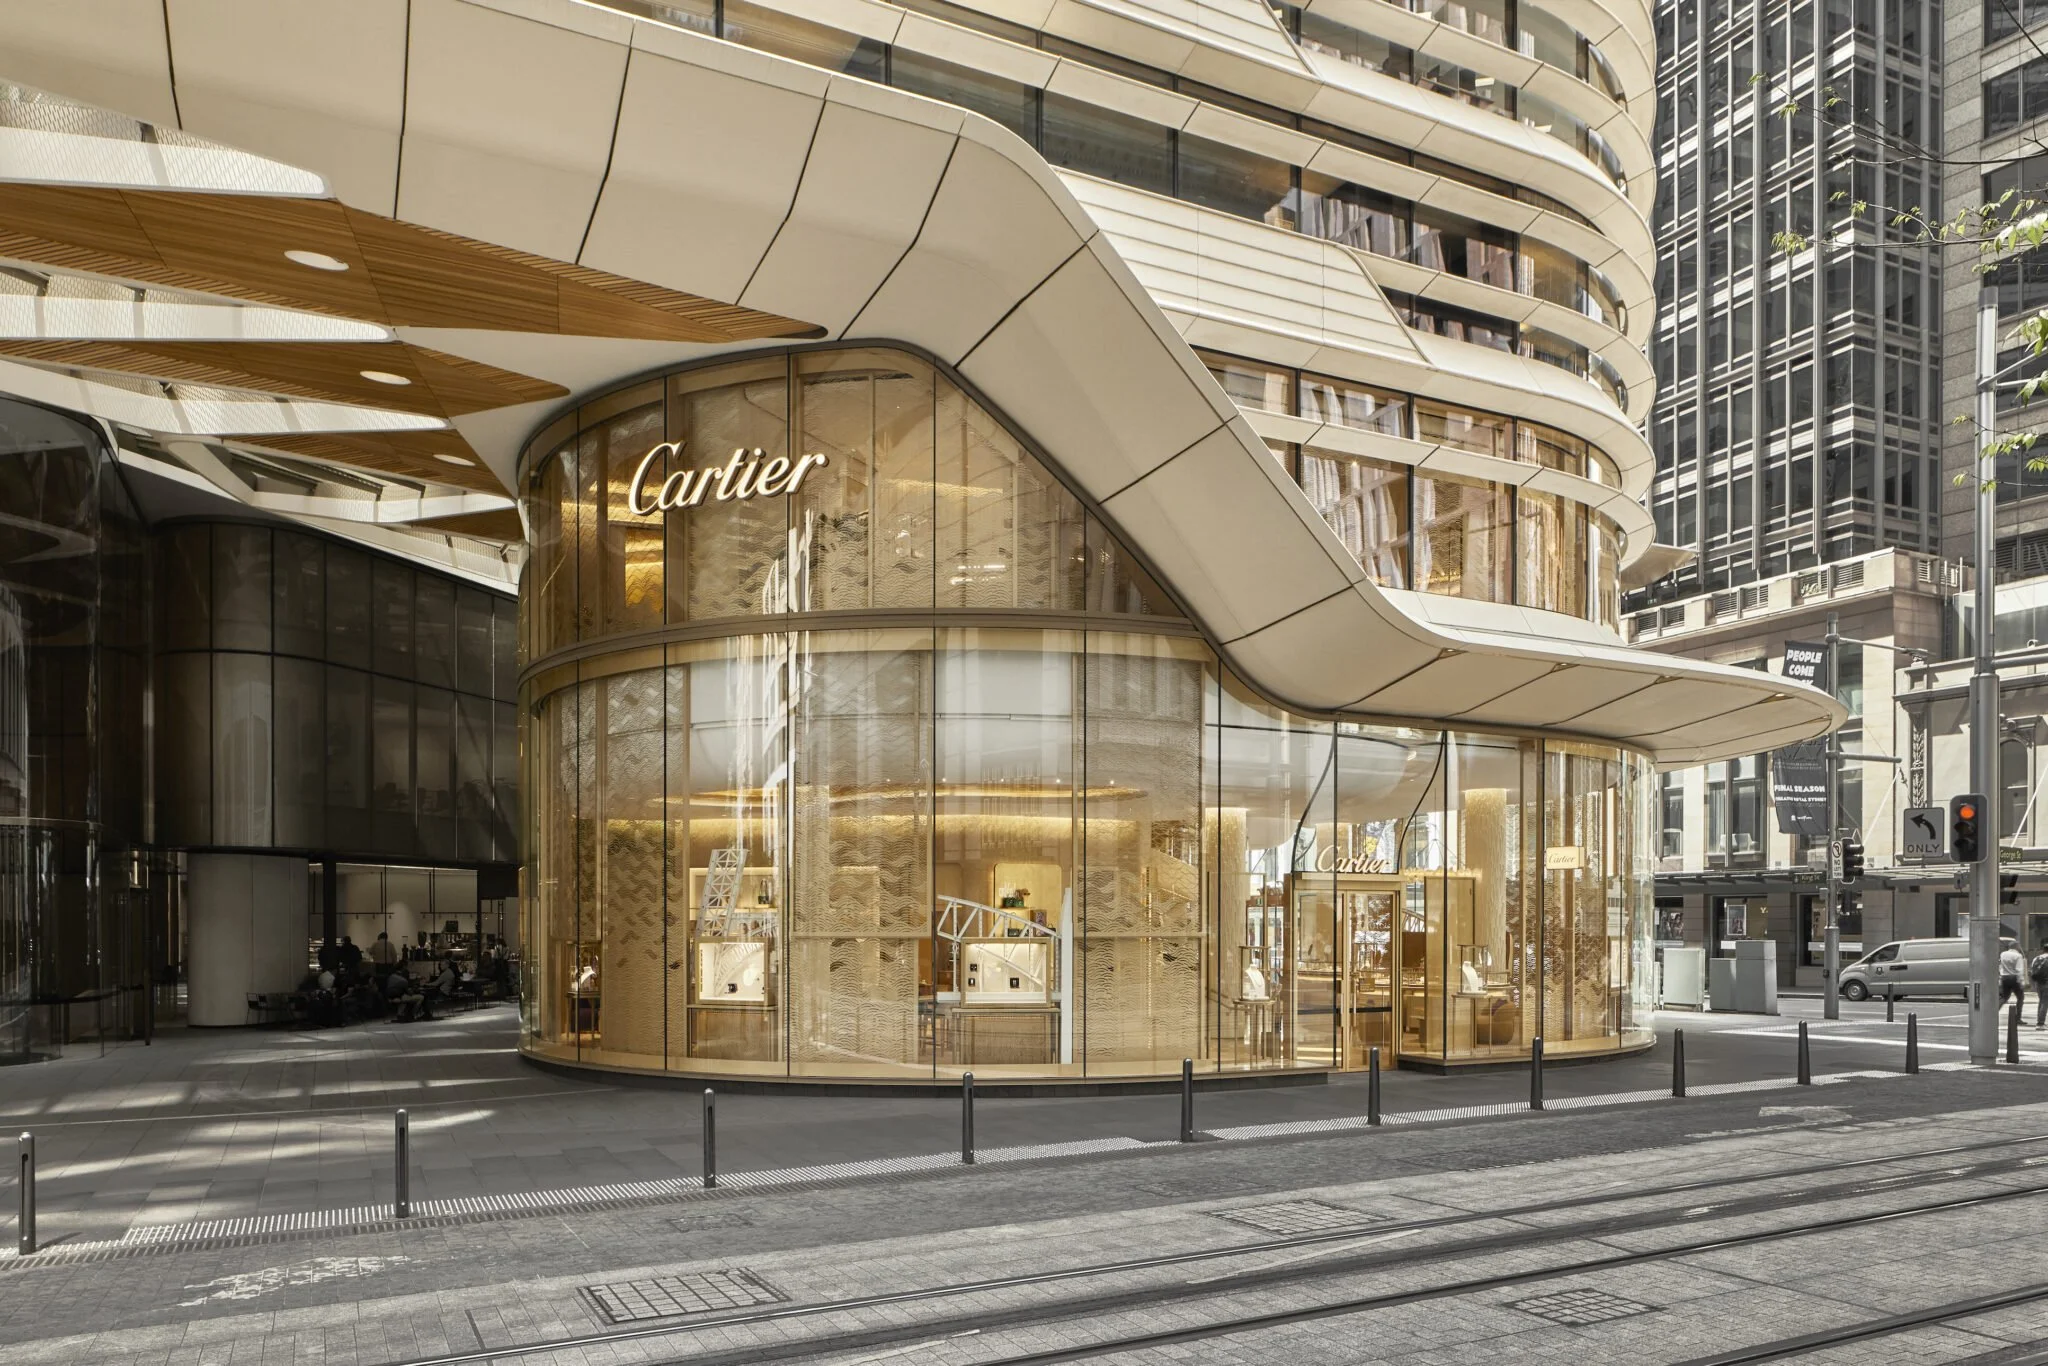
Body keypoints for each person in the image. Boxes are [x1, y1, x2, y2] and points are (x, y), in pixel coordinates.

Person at [1998, 940, 2027, 1015]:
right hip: (2014, 978)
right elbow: (2019, 970)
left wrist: (2000, 976)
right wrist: (2021, 982)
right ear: (2016, 947)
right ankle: (2018, 1017)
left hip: (2004, 977)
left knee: (2004, 997)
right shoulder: (2018, 955)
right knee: (2020, 997)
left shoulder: (2003, 954)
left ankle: (1994, 1012)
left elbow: (2000, 966)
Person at [2032, 946, 2048, 1028]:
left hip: (2038, 983)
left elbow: (2033, 971)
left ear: (2043, 950)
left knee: (2041, 1001)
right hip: (2046, 983)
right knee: (2045, 1003)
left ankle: (2039, 1021)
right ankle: (2040, 1023)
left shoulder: (2036, 958)